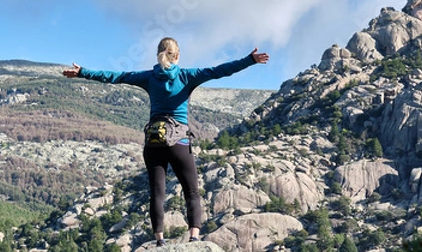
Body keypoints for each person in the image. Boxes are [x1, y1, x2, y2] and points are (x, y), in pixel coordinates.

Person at [62, 37, 269, 246]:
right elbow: (220, 70)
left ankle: (160, 240)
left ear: (158, 54)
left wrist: (82, 72)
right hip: (179, 143)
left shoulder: (148, 77)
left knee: (157, 194)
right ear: (177, 55)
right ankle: (194, 237)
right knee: (192, 191)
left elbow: (115, 76)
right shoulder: (188, 75)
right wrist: (250, 60)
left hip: (154, 142)